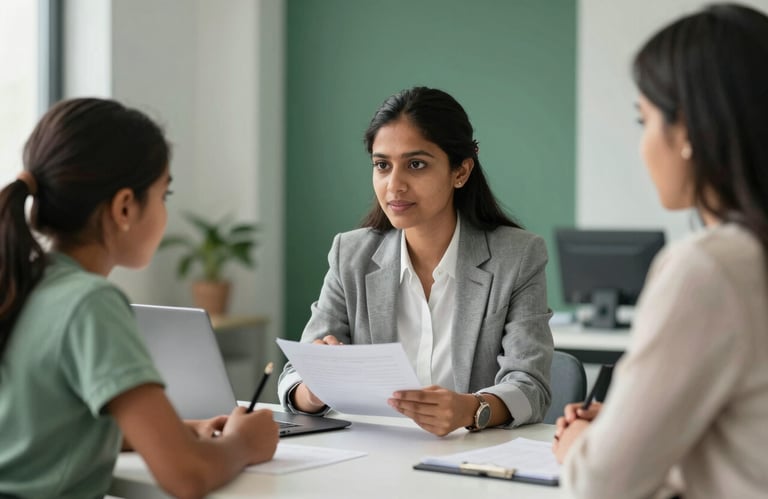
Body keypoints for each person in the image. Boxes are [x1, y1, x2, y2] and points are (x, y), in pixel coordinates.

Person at [0, 98, 279, 499]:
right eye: (164, 194)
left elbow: (46, 434)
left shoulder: (21, 282)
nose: (166, 210)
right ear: (125, 207)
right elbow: (187, 477)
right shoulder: (90, 303)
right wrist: (242, 445)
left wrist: (183, 432)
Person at [552, 4, 768, 498]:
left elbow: (600, 486)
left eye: (643, 119)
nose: (643, 143)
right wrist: (631, 424)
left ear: (687, 130)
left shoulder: (709, 268)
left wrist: (585, 445)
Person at [278, 86, 553, 437]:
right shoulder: (351, 254)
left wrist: (471, 409)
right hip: (372, 458)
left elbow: (532, 387)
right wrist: (315, 388)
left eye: (416, 164)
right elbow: (294, 377)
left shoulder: (517, 256)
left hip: (468, 462)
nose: (395, 185)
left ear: (461, 172)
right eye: (382, 165)